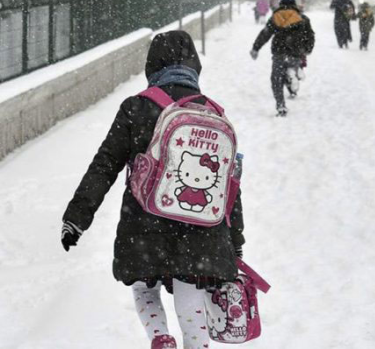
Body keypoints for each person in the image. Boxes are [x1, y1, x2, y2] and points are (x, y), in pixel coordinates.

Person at [60, 31, 246, 349]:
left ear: (152, 65)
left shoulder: (136, 108)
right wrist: (235, 241)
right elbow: (230, 187)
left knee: (144, 287)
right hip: (201, 230)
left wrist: (77, 217)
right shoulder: (213, 113)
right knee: (190, 286)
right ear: (194, 67)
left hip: (144, 223)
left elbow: (104, 165)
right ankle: (197, 344)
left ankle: (160, 337)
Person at [250, 0, 315, 117]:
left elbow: (265, 34)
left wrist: (255, 48)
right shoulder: (303, 18)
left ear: (281, 2)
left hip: (279, 53)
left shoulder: (276, 17)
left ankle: (281, 106)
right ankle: (293, 77)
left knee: (276, 79)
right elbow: (310, 36)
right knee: (290, 70)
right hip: (295, 53)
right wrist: (307, 49)